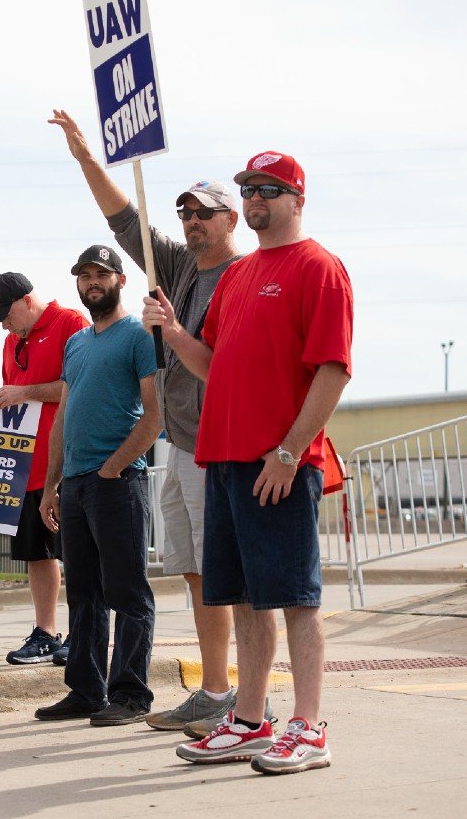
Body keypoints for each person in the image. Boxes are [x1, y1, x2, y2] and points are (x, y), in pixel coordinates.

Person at [143, 150, 353, 775]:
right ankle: (249, 721)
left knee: (295, 599)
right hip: (225, 461)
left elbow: (332, 370)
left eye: (269, 189)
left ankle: (309, 728)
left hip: (278, 463)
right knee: (241, 599)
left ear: (296, 199)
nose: (256, 198)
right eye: (248, 189)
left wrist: (290, 452)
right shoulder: (237, 276)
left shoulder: (320, 269)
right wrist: (176, 333)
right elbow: (215, 365)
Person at [49, 108, 243, 733]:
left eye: (202, 213)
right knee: (192, 572)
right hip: (183, 445)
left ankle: (235, 695)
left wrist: (173, 330)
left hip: (222, 443)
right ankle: (213, 691)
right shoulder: (177, 266)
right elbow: (123, 218)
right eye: (184, 213)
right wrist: (84, 157)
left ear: (229, 219)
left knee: (219, 574)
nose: (189, 222)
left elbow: (223, 367)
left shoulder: (241, 276)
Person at [33, 245, 161, 727]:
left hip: (118, 483)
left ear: (120, 280)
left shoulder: (138, 335)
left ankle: (130, 693)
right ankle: (86, 690)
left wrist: (113, 468)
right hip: (76, 487)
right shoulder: (78, 343)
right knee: (83, 592)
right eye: (84, 276)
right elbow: (64, 415)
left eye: (100, 275)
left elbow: (154, 416)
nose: (92, 283)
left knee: (127, 591)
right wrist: (51, 486)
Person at [0, 272, 89, 666]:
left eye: (6, 314)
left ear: (27, 301)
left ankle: (83, 631)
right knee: (36, 553)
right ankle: (45, 632)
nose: (3, 324)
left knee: (75, 552)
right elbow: (15, 396)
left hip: (65, 462)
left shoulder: (71, 324)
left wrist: (25, 392)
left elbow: (81, 384)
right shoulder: (11, 343)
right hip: (27, 466)